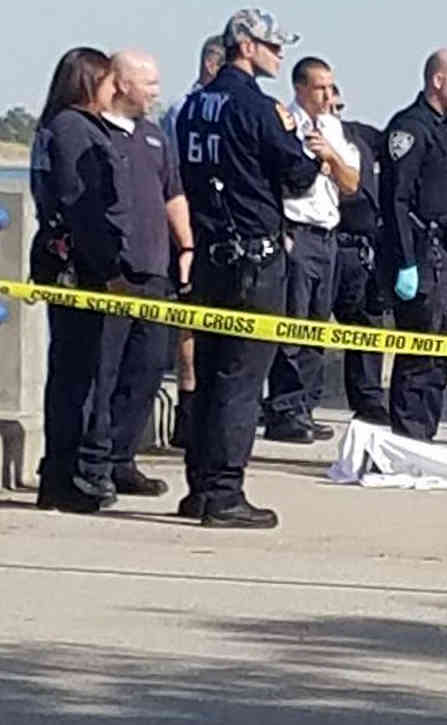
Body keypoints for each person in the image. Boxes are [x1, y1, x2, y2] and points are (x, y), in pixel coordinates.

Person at [175, 8, 322, 528]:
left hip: (210, 255)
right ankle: (225, 492)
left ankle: (198, 485)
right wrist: (314, 154)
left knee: (210, 375)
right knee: (241, 378)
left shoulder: (193, 106)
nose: (279, 55)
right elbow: (299, 174)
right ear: (245, 46)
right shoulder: (258, 108)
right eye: (272, 46)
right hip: (254, 261)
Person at [75, 50, 194, 501]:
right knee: (103, 374)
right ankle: (94, 463)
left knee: (146, 370)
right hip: (112, 277)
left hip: (156, 273)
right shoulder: (95, 133)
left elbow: (174, 193)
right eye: (149, 83)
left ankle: (124, 458)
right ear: (121, 83)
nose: (156, 91)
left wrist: (186, 246)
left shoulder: (155, 137)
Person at [29, 47, 121, 513]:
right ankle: (62, 477)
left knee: (71, 372)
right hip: (78, 268)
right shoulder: (73, 130)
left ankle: (60, 473)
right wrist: (107, 264)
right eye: (108, 81)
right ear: (88, 83)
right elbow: (80, 204)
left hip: (62, 261)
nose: (114, 90)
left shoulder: (53, 127)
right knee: (75, 377)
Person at [379, 49, 447, 440]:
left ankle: (427, 435)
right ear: (438, 80)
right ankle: (408, 438)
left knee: (443, 357)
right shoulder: (410, 129)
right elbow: (396, 200)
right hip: (424, 255)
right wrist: (406, 260)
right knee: (419, 356)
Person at [263, 56, 360, 443]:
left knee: (318, 326)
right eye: (319, 87)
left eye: (330, 87)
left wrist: (330, 157)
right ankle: (284, 409)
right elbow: (286, 181)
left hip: (327, 235)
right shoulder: (285, 123)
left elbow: (351, 183)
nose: (327, 95)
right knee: (293, 325)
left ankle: (305, 405)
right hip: (296, 232)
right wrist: (310, 158)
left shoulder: (333, 128)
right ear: (301, 87)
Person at [162, 33, 224, 450]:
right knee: (189, 321)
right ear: (211, 66)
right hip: (190, 224)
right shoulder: (180, 110)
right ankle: (189, 407)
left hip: (223, 227)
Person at [331, 84, 389, 424]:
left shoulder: (361, 136)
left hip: (361, 248)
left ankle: (368, 401)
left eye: (339, 105)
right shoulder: (301, 136)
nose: (334, 111)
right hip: (323, 240)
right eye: (328, 104)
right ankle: (292, 407)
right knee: (304, 327)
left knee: (367, 325)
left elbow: (400, 149)